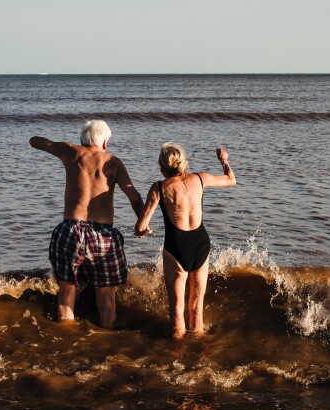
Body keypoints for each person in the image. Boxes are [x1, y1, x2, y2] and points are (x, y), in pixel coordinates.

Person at [29, 120, 144, 329]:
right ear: (105, 143)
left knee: (67, 290)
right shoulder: (113, 162)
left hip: (71, 230)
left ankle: (67, 336)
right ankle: (106, 336)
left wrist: (62, 146)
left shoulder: (71, 151)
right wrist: (141, 222)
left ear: (83, 140)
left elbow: (35, 141)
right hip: (104, 236)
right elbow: (135, 197)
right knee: (106, 295)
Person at [135, 143, 236, 337]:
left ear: (163, 166)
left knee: (177, 309)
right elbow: (231, 180)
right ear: (183, 163)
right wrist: (224, 161)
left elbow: (140, 226)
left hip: (177, 247)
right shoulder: (200, 178)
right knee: (197, 307)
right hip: (201, 244)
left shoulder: (158, 188)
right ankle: (198, 356)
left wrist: (143, 231)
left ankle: (177, 357)